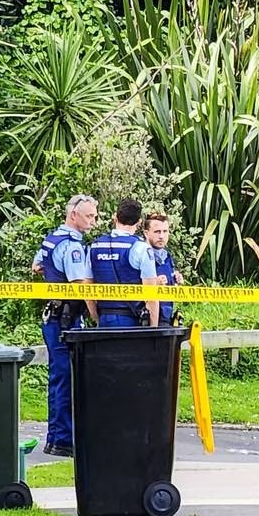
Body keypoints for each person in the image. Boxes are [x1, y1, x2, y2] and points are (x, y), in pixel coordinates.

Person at [34, 194, 98, 458]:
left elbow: (36, 265)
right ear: (73, 215)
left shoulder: (52, 239)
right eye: (89, 216)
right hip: (66, 321)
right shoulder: (71, 246)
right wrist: (95, 314)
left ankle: (57, 438)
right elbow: (81, 285)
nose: (93, 221)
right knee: (65, 380)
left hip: (55, 317)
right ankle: (62, 440)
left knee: (59, 378)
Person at [86, 198, 163, 328]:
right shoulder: (141, 248)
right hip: (131, 319)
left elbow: (86, 285)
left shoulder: (95, 245)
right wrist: (153, 328)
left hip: (104, 317)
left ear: (115, 218)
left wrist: (95, 316)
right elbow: (151, 293)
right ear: (139, 223)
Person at [141, 212, 183, 326]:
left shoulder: (167, 256)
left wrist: (175, 280)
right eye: (157, 232)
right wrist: (154, 283)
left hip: (167, 317)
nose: (161, 236)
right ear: (146, 233)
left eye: (165, 231)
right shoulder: (140, 255)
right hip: (147, 320)